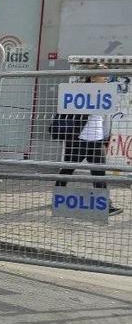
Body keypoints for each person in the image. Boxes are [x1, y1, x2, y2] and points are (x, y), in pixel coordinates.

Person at [52, 64, 123, 216]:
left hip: (96, 140)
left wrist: (106, 136)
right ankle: (57, 197)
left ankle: (106, 206)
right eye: (103, 75)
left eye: (107, 75)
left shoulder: (105, 94)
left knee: (99, 173)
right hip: (79, 140)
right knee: (67, 170)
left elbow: (104, 118)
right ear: (92, 77)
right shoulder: (81, 93)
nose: (106, 78)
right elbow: (72, 112)